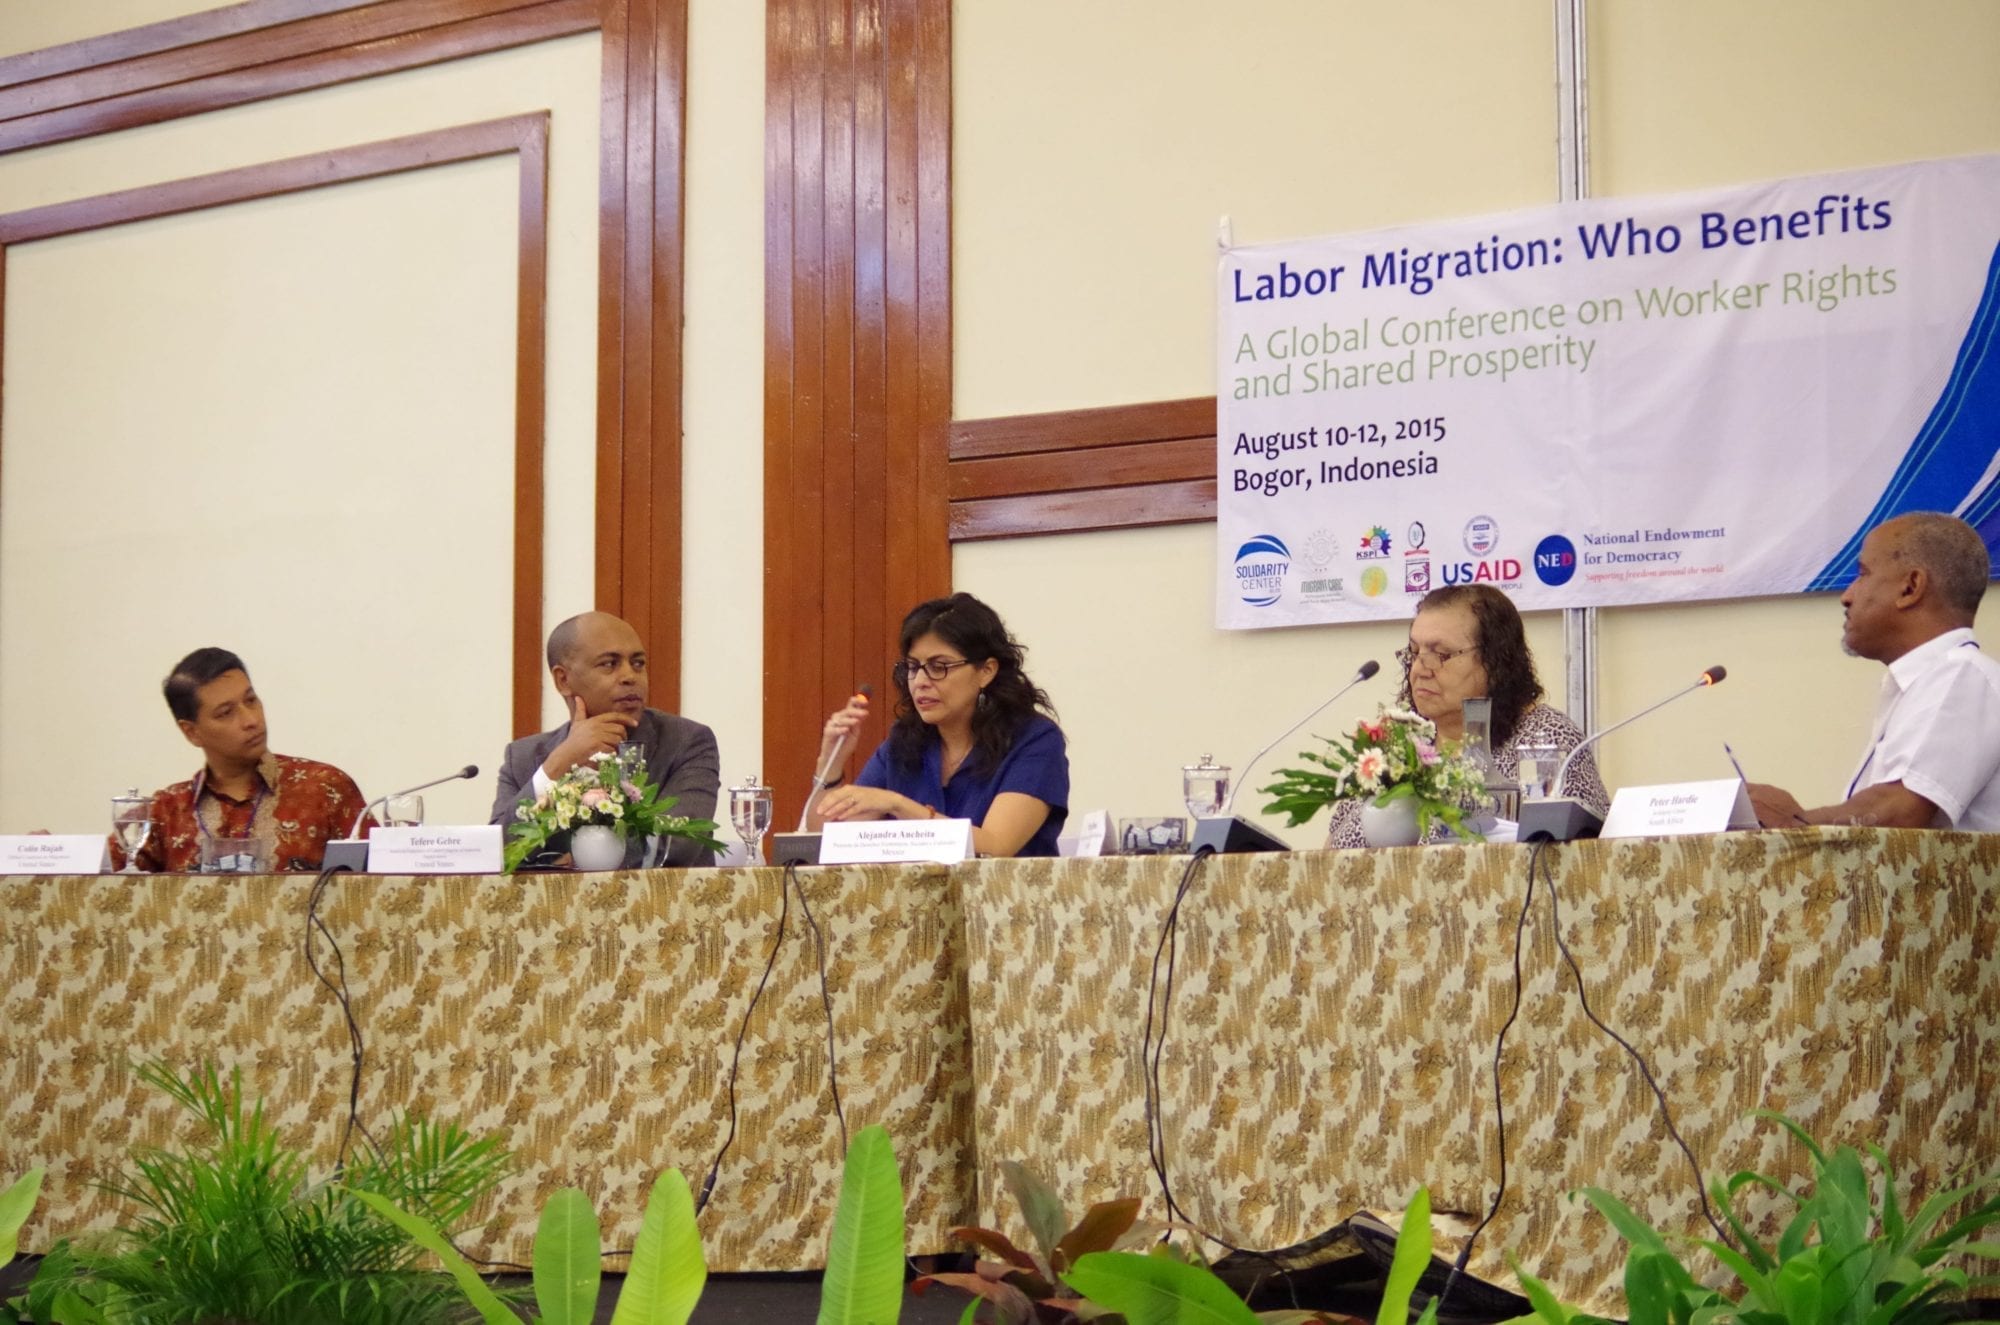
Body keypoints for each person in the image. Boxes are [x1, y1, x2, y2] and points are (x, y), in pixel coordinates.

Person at [1748, 512, 1999, 831]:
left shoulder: (1961, 676)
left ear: (1910, 587)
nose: (1847, 595)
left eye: (1862, 574)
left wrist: (1796, 823)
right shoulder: (1925, 683)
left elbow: (1901, 810)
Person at [1325, 583, 1607, 848]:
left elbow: (1587, 860)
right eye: (1414, 651)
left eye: (1441, 653)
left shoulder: (1547, 738)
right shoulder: (1397, 750)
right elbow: (1330, 857)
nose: (1420, 669)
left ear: (1496, 660)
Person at [812, 593, 1069, 857]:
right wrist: (830, 763)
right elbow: (824, 841)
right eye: (913, 667)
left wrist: (897, 804)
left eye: (939, 666)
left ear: (986, 671)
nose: (920, 681)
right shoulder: (904, 742)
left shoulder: (1035, 740)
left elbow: (996, 846)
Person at [110, 648, 372, 872]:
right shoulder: (165, 812)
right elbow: (99, 893)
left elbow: (385, 886)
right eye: (226, 713)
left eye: (251, 700)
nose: (251, 720)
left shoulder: (324, 789)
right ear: (191, 732)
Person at [491, 611, 721, 865]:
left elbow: (677, 842)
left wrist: (583, 860)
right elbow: (495, 854)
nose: (629, 676)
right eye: (609, 664)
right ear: (563, 679)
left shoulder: (685, 742)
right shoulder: (523, 758)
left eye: (638, 663)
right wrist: (558, 765)